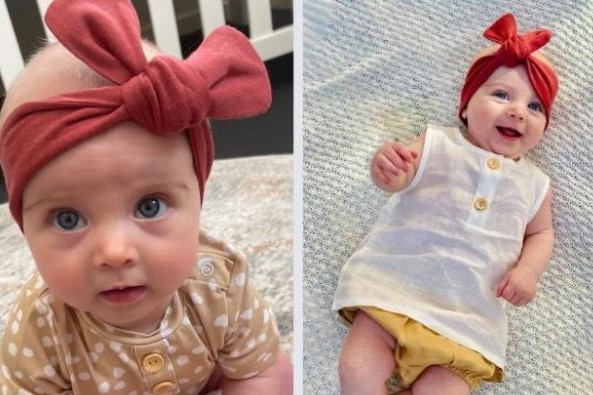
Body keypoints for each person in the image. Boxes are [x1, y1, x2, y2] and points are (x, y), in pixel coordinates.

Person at [0, 0, 292, 393]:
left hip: (206, 381)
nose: (115, 251)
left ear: (197, 199)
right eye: (67, 218)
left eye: (149, 206)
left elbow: (256, 369)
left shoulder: (218, 282)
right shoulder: (40, 326)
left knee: (279, 370)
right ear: (23, 225)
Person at [333, 13, 558, 395]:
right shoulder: (439, 142)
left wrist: (528, 272)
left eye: (535, 107)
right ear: (466, 106)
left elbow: (542, 232)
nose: (518, 111)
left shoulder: (535, 183)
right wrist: (386, 169)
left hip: (465, 320)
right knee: (356, 371)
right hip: (392, 288)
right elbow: (399, 178)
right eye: (501, 95)